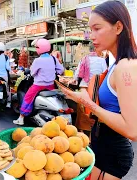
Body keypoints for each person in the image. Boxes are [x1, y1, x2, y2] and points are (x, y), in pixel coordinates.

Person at [59, 1, 136, 179]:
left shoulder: (126, 67)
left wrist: (85, 102)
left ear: (118, 27)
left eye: (97, 28)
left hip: (113, 156)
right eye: (90, 29)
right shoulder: (115, 64)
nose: (91, 36)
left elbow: (133, 130)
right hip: (101, 148)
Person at [13, 38, 64, 125]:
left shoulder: (38, 60)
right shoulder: (53, 59)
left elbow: (32, 73)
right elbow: (61, 70)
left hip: (38, 85)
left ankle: (21, 118)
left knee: (27, 98)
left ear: (39, 48)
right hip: (51, 86)